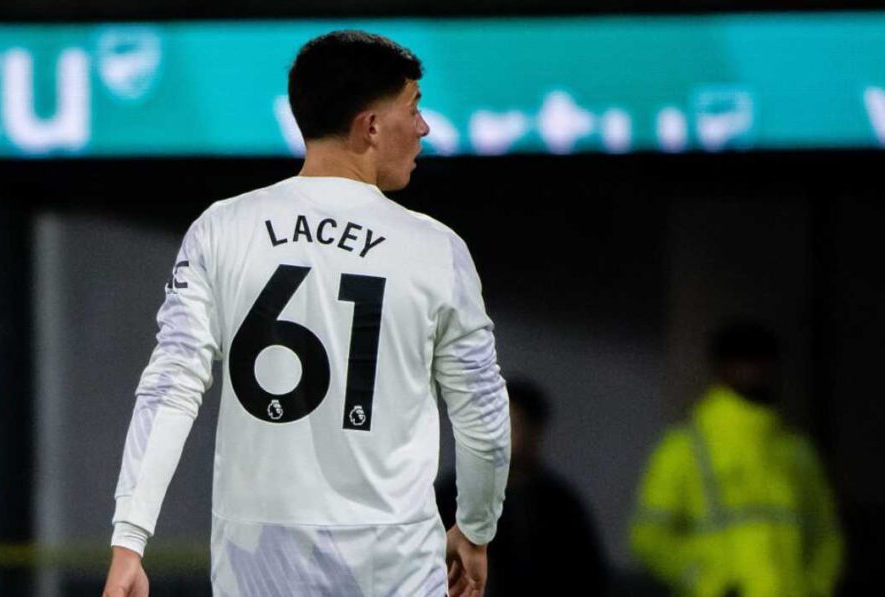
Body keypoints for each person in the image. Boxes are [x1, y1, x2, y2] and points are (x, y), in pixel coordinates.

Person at [101, 30, 510, 597]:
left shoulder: (222, 228)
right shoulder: (436, 249)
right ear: (370, 126)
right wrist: (476, 528)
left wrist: (130, 538)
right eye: (414, 107)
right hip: (393, 556)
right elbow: (483, 417)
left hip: (256, 556)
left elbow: (169, 387)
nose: (423, 127)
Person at [630, 322, 843, 597]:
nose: (757, 371)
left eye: (763, 361)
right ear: (721, 369)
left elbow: (826, 534)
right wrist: (706, 582)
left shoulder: (797, 452)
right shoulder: (684, 448)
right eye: (744, 361)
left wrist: (813, 587)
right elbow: (648, 536)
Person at [437, 377, 607, 596]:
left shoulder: (559, 507)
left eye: (514, 425)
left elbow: (585, 576)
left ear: (535, 432)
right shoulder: (453, 494)